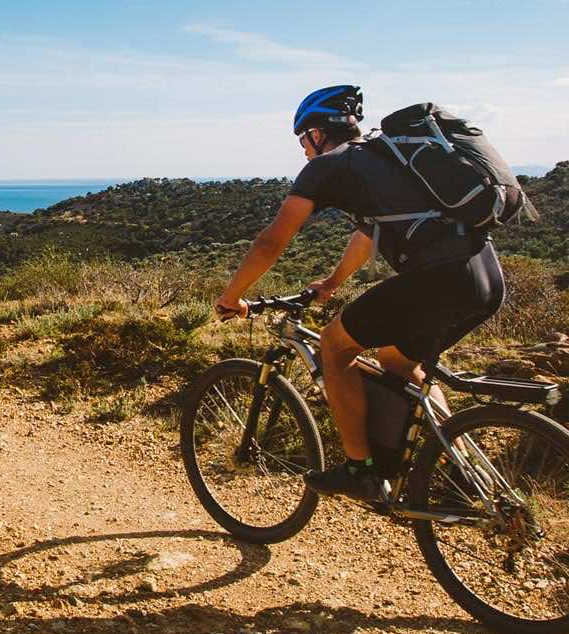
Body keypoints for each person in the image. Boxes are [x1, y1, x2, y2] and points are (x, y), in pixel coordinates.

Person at [212, 84, 506, 503]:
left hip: (439, 278)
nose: (303, 150)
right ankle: (465, 474)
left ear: (316, 133)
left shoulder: (329, 165)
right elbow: (369, 232)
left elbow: (271, 241)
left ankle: (360, 470)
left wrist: (232, 296)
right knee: (398, 362)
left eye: (303, 140)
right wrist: (332, 283)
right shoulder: (385, 156)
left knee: (335, 346)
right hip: (486, 277)